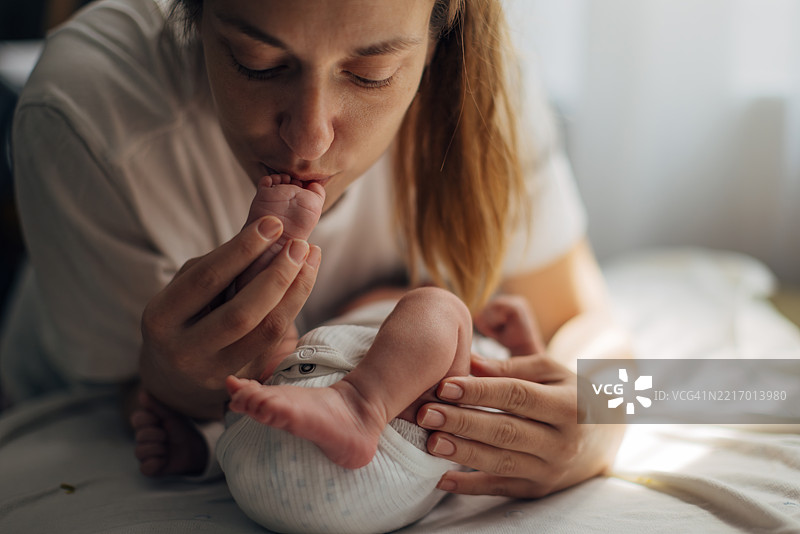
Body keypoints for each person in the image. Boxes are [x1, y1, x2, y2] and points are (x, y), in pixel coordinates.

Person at [2, 0, 630, 505]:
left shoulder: (485, 101)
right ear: (193, 17)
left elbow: (616, 342)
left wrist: (604, 423)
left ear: (441, 31)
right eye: (256, 62)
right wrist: (171, 388)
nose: (309, 137)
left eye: (371, 75)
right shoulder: (88, 110)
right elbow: (130, 404)